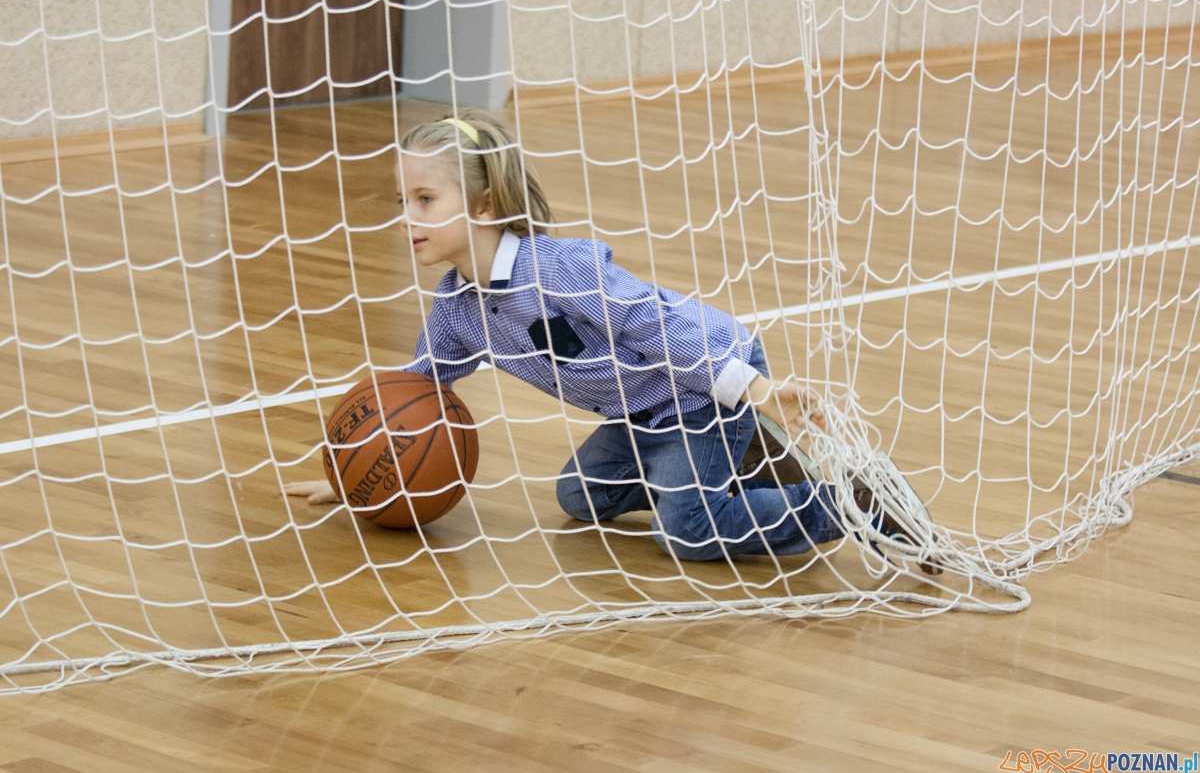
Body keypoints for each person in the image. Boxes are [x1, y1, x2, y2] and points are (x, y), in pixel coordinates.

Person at [285, 110, 885, 562]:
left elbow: (654, 324)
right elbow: (415, 389)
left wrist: (755, 390)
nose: (407, 218)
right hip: (641, 411)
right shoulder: (455, 307)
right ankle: (738, 469)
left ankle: (851, 506)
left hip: (704, 381)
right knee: (579, 497)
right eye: (402, 201)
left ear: (485, 206)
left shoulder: (558, 269)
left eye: (425, 199)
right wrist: (355, 473)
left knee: (687, 532)